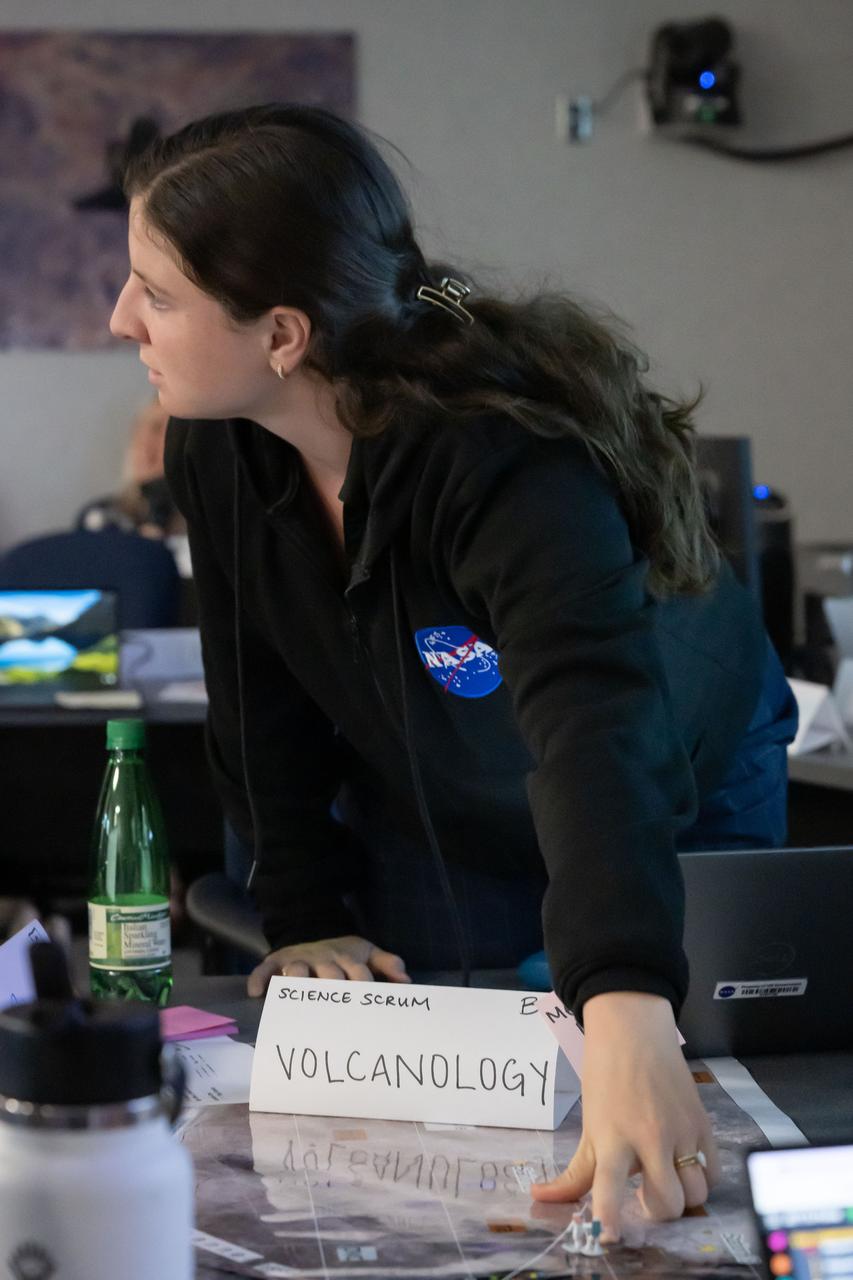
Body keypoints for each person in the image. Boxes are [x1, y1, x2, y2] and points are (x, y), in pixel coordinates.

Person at [108, 104, 797, 1236]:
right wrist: (303, 908)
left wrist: (626, 994)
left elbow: (594, 724)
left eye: (158, 292)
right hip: (463, 773)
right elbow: (260, 688)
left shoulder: (502, 459)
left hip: (665, 770)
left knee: (656, 1099)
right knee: (468, 1118)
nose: (121, 316)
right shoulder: (214, 441)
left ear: (283, 334)